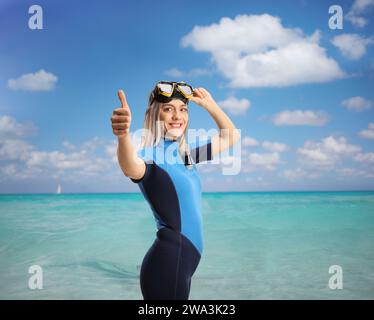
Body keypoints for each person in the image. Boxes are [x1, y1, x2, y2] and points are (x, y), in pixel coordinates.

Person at [111, 81, 240, 299]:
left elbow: (230, 136)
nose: (177, 116)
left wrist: (209, 104)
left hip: (183, 265)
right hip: (167, 265)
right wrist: (123, 136)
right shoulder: (149, 156)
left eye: (183, 110)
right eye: (168, 109)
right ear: (155, 115)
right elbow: (130, 167)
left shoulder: (187, 156)